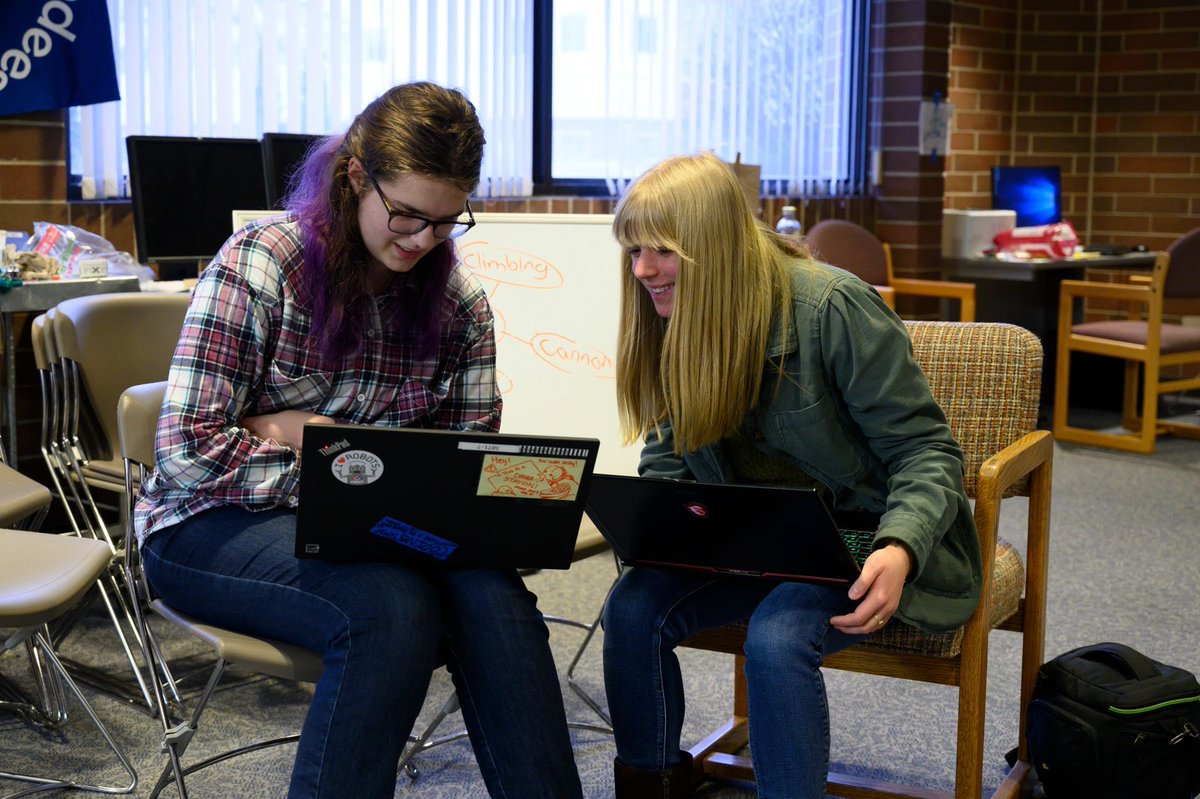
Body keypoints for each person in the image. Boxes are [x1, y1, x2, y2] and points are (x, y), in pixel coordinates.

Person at [134, 82, 583, 799]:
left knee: (492, 594)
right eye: (405, 215)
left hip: (375, 526)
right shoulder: (263, 265)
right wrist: (342, 469)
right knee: (390, 608)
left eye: (444, 223)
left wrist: (317, 446)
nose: (421, 241)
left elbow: (458, 470)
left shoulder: (459, 306)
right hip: (208, 524)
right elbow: (187, 452)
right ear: (353, 176)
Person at [600, 151, 982, 799]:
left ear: (712, 245)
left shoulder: (833, 308)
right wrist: (657, 526)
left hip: (864, 544)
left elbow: (927, 452)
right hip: (753, 543)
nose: (642, 270)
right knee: (631, 608)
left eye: (660, 250)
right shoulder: (680, 315)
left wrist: (899, 547)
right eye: (634, 251)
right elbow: (668, 462)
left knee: (777, 636)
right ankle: (652, 785)